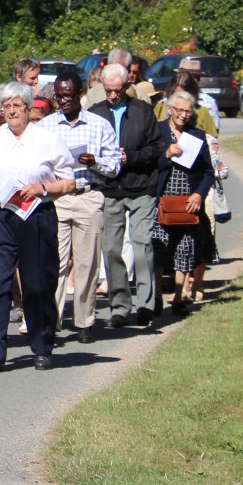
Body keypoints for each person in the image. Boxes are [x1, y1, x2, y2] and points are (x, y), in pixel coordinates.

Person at [0, 81, 76, 373]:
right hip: (1, 217)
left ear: (30, 109)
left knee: (37, 283)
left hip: (37, 216)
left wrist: (43, 188)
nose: (12, 110)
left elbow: (69, 181)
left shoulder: (47, 140)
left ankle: (42, 347)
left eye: (18, 105)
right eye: (7, 106)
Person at [40, 72, 121, 343]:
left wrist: (94, 161)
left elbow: (114, 166)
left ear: (80, 95)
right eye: (58, 96)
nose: (61, 101)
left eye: (67, 96)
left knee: (87, 263)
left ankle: (85, 321)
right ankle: (52, 321)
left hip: (88, 195)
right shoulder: (47, 127)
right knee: (55, 262)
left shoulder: (99, 125)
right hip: (57, 199)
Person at [88, 64, 166, 328]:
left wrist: (131, 157)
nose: (113, 96)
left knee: (142, 244)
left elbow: (158, 148)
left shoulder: (143, 112)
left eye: (118, 90)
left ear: (126, 87)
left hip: (141, 187)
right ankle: (120, 305)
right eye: (108, 91)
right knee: (110, 248)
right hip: (110, 188)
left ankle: (145, 304)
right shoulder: (95, 113)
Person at [151, 92, 215, 317]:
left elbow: (208, 172)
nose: (184, 115)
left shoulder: (197, 135)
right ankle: (156, 297)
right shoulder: (157, 131)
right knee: (159, 249)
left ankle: (179, 297)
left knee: (185, 249)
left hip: (188, 202)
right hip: (161, 200)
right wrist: (166, 154)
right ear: (169, 109)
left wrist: (199, 194)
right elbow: (148, 163)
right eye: (180, 110)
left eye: (188, 111)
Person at [153, 72, 218, 138]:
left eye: (185, 95)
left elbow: (212, 141)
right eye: (177, 96)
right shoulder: (160, 107)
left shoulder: (202, 112)